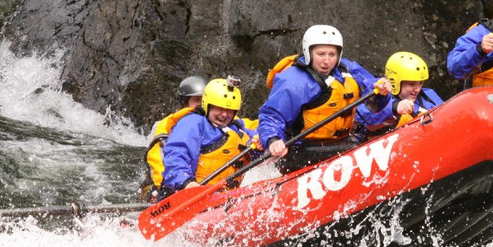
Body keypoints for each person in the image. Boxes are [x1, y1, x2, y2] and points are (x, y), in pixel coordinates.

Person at [258, 24, 389, 174]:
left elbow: (375, 103)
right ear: (309, 52)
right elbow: (271, 116)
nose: (326, 61)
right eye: (321, 54)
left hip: (341, 143)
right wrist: (273, 140)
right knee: (352, 149)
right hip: (301, 149)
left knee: (357, 145)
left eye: (332, 55)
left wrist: (382, 92)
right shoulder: (294, 81)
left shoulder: (348, 70)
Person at [161, 77, 258, 192]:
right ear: (207, 105)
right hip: (188, 192)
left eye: (230, 110)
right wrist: (186, 182)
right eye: (219, 108)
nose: (224, 114)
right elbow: (176, 153)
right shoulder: (193, 123)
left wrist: (263, 142)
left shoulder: (237, 128)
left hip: (224, 197)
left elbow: (258, 135)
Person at [140, 76, 206, 201]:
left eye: (204, 101)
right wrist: (170, 187)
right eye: (196, 100)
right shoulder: (165, 126)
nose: (201, 106)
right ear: (185, 103)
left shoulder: (216, 121)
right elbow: (158, 159)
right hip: (164, 187)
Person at [358, 51, 444, 137]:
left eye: (420, 83)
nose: (418, 89)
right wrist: (394, 109)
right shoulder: (380, 100)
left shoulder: (429, 95)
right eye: (412, 84)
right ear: (395, 82)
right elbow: (362, 117)